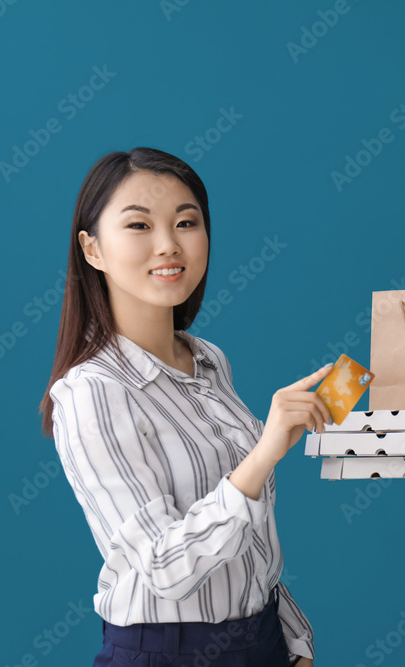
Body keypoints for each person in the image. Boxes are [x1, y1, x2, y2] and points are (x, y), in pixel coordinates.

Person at [40, 147, 330, 666]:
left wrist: (291, 642)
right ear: (92, 249)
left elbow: (249, 544)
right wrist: (265, 452)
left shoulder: (207, 360)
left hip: (261, 641)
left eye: (186, 222)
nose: (168, 245)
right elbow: (164, 568)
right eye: (139, 226)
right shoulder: (92, 392)